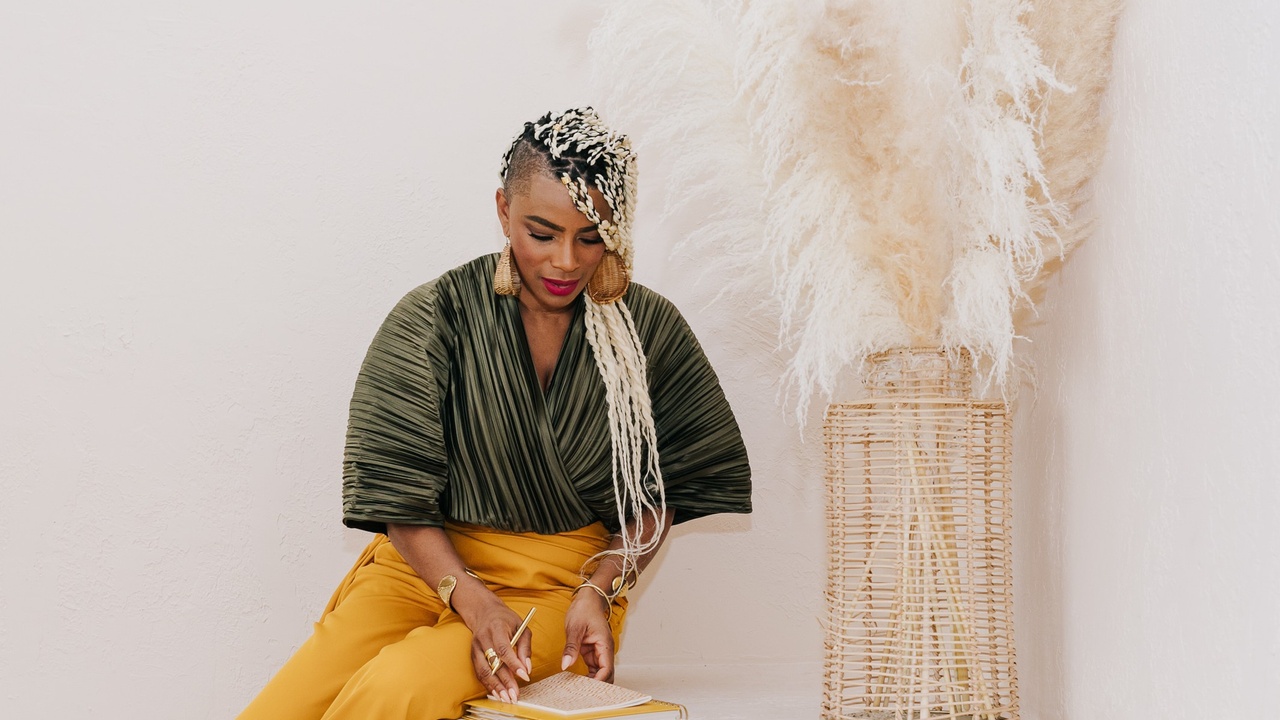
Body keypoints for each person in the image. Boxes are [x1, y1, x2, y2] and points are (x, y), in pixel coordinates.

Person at [238, 107, 752, 720]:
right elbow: (396, 493)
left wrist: (602, 586)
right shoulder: (435, 317)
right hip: (420, 571)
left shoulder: (647, 331)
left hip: (560, 588)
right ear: (504, 210)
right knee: (279, 710)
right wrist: (473, 600)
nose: (566, 260)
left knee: (394, 688)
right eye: (543, 233)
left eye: (590, 237)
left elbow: (663, 490)